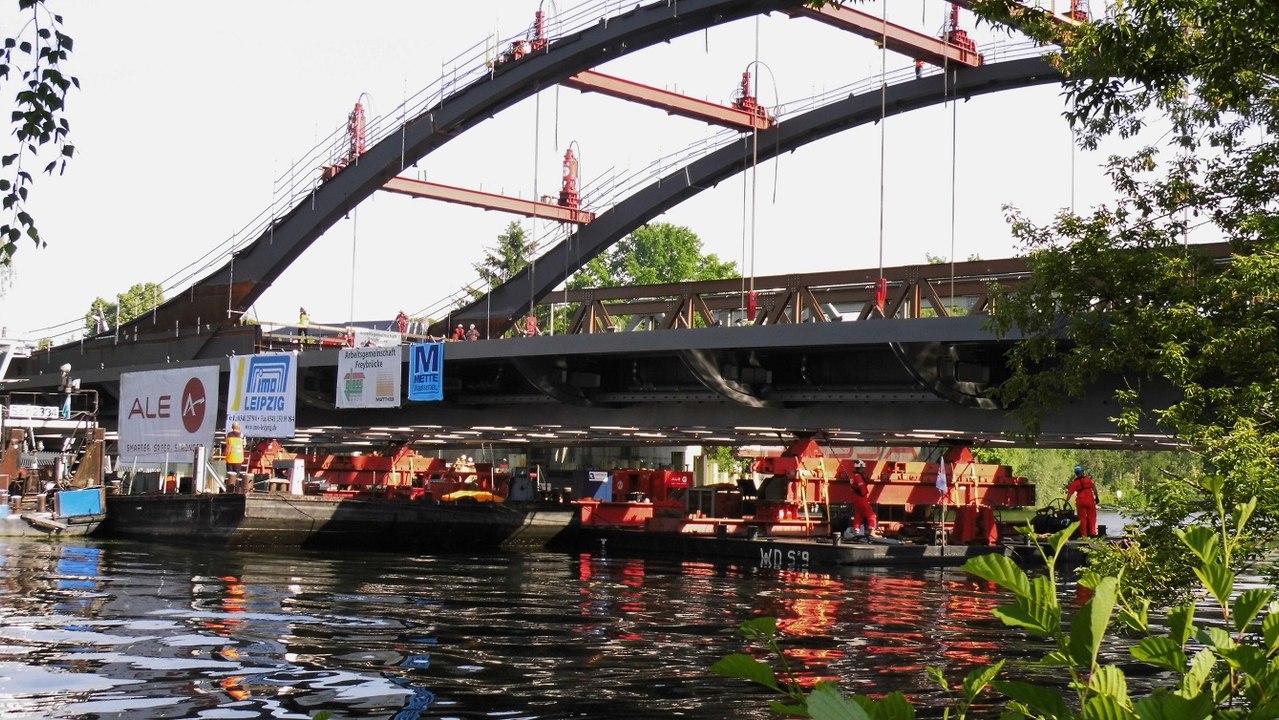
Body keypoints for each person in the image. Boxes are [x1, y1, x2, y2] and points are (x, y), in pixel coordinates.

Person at [844, 459, 878, 540]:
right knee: (871, 515)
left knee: (859, 515)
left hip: (856, 499)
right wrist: (863, 493)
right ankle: (871, 531)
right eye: (863, 468)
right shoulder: (858, 477)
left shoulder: (854, 476)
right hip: (861, 499)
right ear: (861, 468)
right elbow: (862, 488)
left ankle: (856, 531)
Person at [1065, 465, 1099, 538]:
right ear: (1082, 472)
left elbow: (1070, 494)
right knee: (1092, 517)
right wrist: (1097, 497)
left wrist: (1066, 503)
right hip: (1090, 501)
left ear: (1076, 473)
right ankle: (1093, 534)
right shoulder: (1088, 480)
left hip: (1081, 502)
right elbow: (1094, 489)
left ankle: (1084, 536)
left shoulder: (1074, 483)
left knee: (1082, 519)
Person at [224, 422, 245, 492]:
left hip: (229, 458)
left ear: (232, 427)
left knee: (230, 476)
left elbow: (226, 443)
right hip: (238, 459)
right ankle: (236, 490)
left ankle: (229, 490)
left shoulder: (228, 435)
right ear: (238, 427)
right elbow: (244, 445)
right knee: (237, 477)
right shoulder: (241, 435)